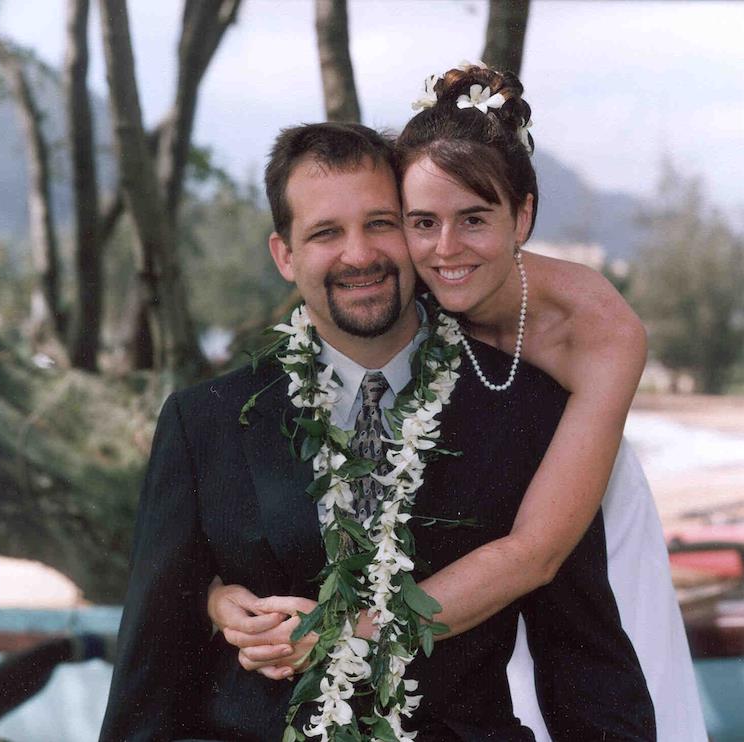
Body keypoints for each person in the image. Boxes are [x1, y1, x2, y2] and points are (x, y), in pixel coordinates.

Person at [101, 120, 654, 741]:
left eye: (380, 224)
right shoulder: (205, 421)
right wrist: (210, 600)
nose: (359, 255)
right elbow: (150, 663)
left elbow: (583, 658)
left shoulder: (524, 409)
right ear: (285, 255)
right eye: (326, 233)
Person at [208, 65, 705, 741]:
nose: (445, 250)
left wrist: (345, 634)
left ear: (521, 216)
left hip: (576, 495)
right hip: (461, 500)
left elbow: (534, 553)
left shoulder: (600, 329)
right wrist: (219, 597)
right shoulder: (400, 273)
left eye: (474, 219)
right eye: (422, 222)